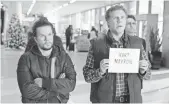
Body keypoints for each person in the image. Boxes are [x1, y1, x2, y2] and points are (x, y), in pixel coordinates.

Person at [83, 5, 151, 103]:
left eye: (122, 17)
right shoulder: (96, 44)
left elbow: (148, 75)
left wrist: (143, 71)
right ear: (108, 23)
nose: (120, 21)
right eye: (116, 18)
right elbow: (87, 76)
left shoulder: (138, 43)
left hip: (132, 100)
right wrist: (100, 71)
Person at [17, 18, 76, 103]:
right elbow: (27, 90)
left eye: (49, 34)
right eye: (42, 36)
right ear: (36, 39)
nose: (47, 39)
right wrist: (57, 90)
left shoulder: (63, 57)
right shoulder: (25, 59)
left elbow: (71, 84)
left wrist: (44, 83)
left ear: (53, 35)